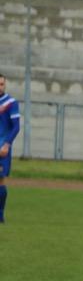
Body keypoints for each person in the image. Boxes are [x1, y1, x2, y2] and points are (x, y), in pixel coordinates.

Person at [0, 73, 20, 224]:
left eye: (1, 84)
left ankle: (0, 214)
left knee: (0, 180)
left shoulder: (11, 103)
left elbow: (16, 127)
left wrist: (7, 144)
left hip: (2, 148)